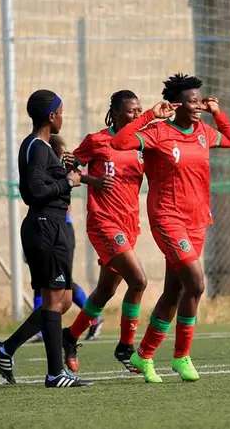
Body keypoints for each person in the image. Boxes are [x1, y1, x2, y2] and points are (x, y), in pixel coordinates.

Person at [111, 73, 230, 383]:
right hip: (168, 218)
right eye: (192, 102)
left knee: (175, 290)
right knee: (196, 283)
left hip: (197, 220)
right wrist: (150, 115)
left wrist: (217, 112)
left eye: (200, 101)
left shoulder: (203, 132)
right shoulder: (159, 132)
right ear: (177, 104)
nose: (198, 106)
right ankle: (181, 356)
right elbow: (120, 142)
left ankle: (144, 355)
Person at [0, 89, 91, 388]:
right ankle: (55, 373)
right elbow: (33, 192)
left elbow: (47, 182)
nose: (63, 118)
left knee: (64, 299)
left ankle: (6, 349)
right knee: (54, 300)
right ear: (51, 116)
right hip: (45, 226)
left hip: (52, 226)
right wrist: (67, 181)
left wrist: (68, 172)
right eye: (61, 112)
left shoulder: (42, 147)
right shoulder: (37, 146)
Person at [61, 90, 148, 373]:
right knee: (138, 281)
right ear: (116, 112)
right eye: (131, 110)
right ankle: (126, 347)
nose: (136, 115)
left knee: (106, 291)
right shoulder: (97, 140)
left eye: (139, 110)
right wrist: (92, 180)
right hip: (104, 222)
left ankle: (69, 336)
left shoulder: (141, 143)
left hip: (129, 223)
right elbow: (69, 168)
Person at [29, 135, 103, 345]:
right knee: (46, 281)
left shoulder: (57, 169)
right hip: (45, 227)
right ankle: (41, 328)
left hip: (59, 229)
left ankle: (93, 318)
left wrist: (94, 181)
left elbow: (75, 177)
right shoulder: (45, 167)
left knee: (60, 280)